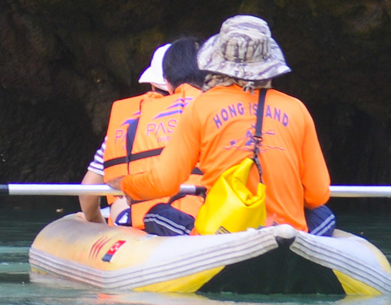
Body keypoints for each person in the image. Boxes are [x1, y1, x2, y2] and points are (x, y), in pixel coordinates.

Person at [135, 14, 334, 236]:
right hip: (285, 231)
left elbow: (164, 182)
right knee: (323, 214)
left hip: (223, 233)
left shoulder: (202, 107)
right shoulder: (297, 109)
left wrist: (128, 186)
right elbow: (317, 195)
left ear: (217, 62)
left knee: (155, 213)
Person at [84, 39, 205, 226]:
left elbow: (88, 191)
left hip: (147, 221)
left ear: (158, 83)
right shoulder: (216, 115)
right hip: (207, 215)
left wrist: (95, 223)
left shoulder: (128, 123)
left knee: (120, 202)